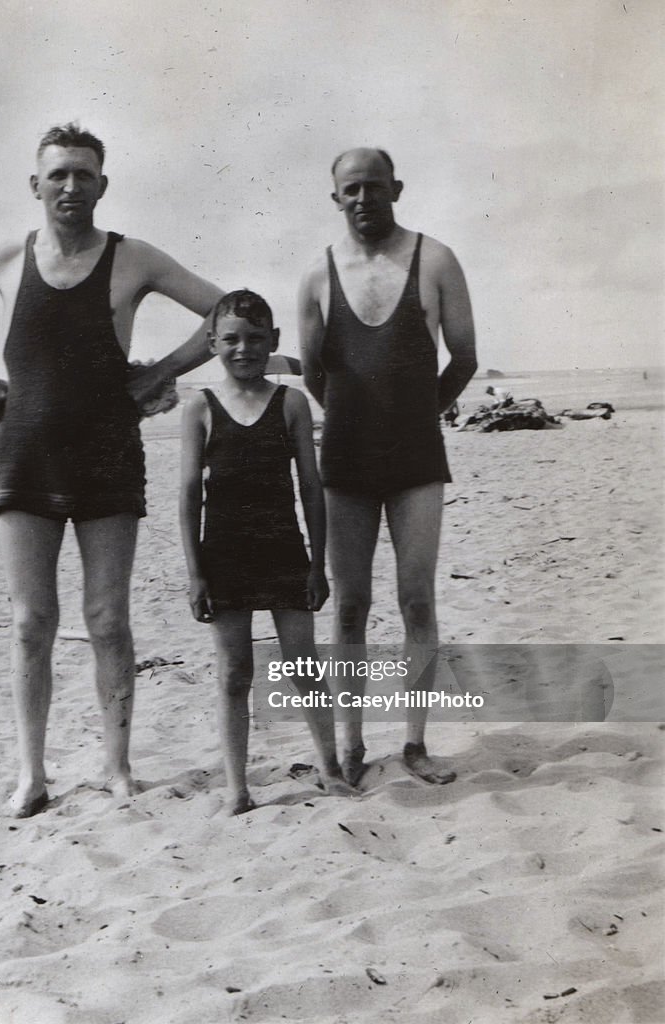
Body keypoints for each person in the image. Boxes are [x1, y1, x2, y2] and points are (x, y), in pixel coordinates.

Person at [0, 123, 224, 817]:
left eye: (84, 174)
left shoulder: (133, 260)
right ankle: (31, 775)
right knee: (30, 623)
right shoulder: (6, 262)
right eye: (58, 175)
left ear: (102, 185)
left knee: (107, 618)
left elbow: (226, 311)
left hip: (108, 454)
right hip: (25, 455)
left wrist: (161, 372)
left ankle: (116, 765)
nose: (71, 186)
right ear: (35, 185)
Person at [298, 147, 478, 786]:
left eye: (375, 187)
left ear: (396, 188)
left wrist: (416, 417)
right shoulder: (318, 275)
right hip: (345, 460)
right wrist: (354, 418)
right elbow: (315, 370)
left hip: (417, 459)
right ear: (336, 198)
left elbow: (463, 357)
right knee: (349, 604)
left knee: (415, 598)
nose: (364, 199)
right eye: (352, 189)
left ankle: (415, 742)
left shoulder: (435, 259)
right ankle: (350, 744)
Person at [179, 289, 351, 814]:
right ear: (212, 344)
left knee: (303, 664)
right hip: (224, 556)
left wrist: (317, 563)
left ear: (274, 342)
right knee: (235, 673)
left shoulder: (291, 403)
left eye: (256, 339)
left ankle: (330, 769)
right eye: (230, 339)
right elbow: (188, 494)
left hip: (283, 551)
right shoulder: (200, 409)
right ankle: (237, 787)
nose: (243, 349)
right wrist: (195, 573)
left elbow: (311, 488)